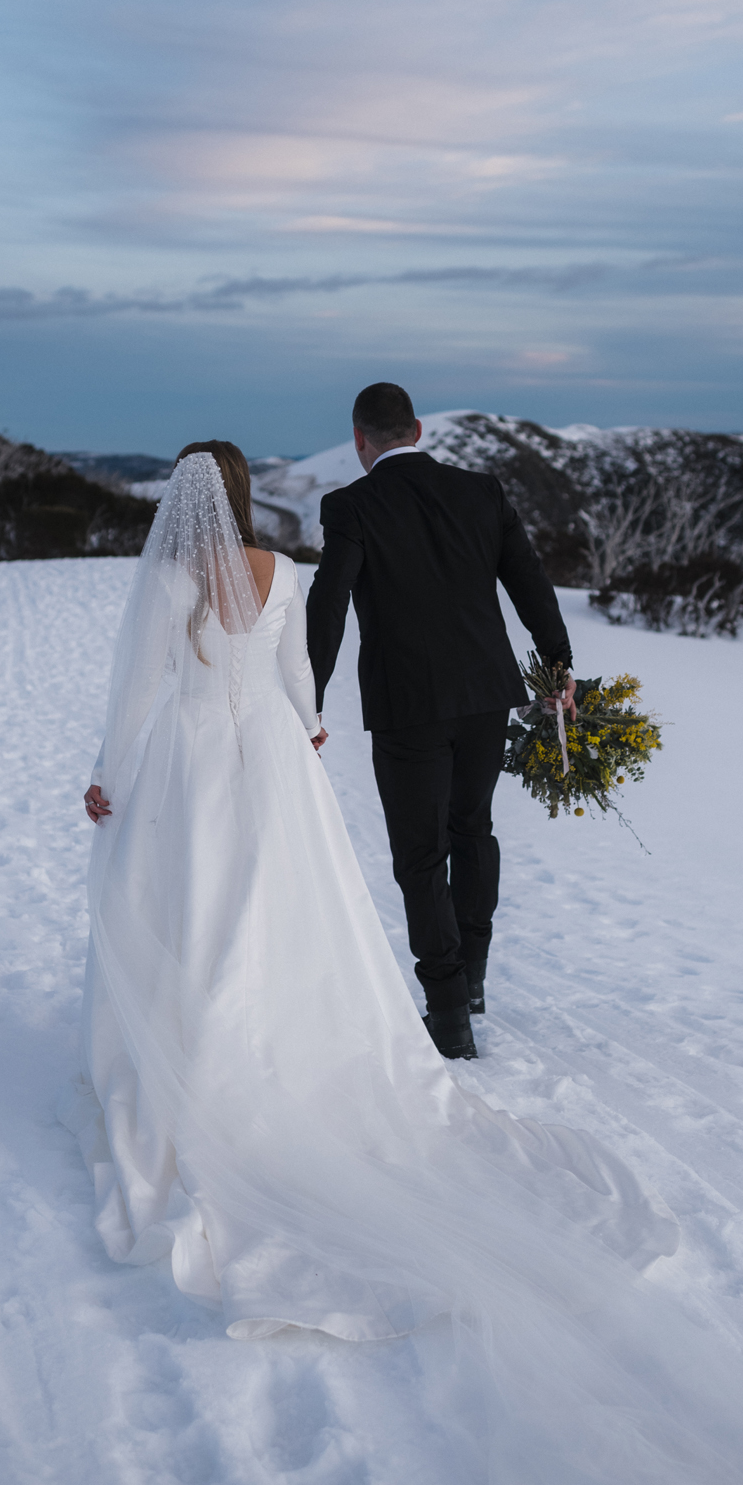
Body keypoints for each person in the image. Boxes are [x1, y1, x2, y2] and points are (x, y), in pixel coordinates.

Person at [68, 441, 743, 1485]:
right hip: (274, 761)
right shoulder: (280, 568)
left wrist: (111, 771)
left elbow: (141, 690)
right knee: (300, 914)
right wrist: (312, 725)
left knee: (197, 909)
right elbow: (297, 680)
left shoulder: (179, 578)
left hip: (196, 763)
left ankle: (208, 1052)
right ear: (247, 496)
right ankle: (365, 1020)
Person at [306, 382, 574, 1059]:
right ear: (418, 429)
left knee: (420, 854)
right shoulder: (481, 491)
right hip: (486, 694)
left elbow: (328, 605)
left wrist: (304, 696)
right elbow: (528, 581)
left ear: (360, 438)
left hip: (407, 704)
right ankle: (472, 977)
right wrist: (559, 662)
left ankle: (448, 1008)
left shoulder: (350, 504)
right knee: (471, 828)